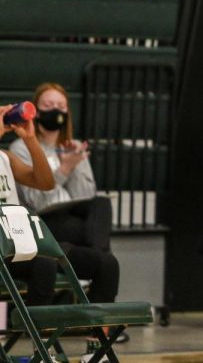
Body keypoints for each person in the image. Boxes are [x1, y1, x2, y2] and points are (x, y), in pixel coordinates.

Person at [0, 104, 118, 307]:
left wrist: (30, 139)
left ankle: (97, 334)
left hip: (23, 243)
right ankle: (38, 332)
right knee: (44, 262)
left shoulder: (5, 157)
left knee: (106, 264)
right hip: (5, 251)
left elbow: (45, 182)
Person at [10, 83, 113, 253]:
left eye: (61, 106)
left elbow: (85, 196)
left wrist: (75, 165)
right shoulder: (21, 148)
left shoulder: (74, 146)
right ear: (37, 112)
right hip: (41, 219)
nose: (55, 110)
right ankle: (99, 259)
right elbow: (36, 202)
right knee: (91, 231)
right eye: (48, 106)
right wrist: (64, 169)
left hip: (71, 212)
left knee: (101, 204)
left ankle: (98, 259)